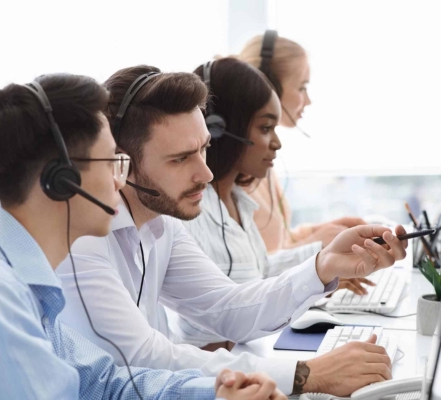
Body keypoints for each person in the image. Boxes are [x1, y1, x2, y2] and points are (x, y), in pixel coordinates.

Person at [56, 65, 407, 397]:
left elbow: (227, 308)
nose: (205, 174)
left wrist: (323, 265)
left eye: (204, 148)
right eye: (180, 159)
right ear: (122, 163)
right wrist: (305, 374)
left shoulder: (161, 223)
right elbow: (142, 358)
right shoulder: (82, 241)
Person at [0, 73, 283, 400]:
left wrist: (216, 393)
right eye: (113, 162)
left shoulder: (28, 284)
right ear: (61, 181)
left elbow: (105, 384)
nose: (122, 181)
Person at [238, 31, 372, 295]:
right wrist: (318, 247)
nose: (307, 100)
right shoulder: (238, 171)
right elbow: (254, 268)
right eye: (302, 87)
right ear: (270, 88)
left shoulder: (265, 163)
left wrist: (319, 232)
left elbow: (278, 240)